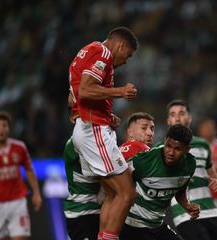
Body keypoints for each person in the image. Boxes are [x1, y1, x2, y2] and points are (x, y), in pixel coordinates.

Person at [69, 26, 139, 240]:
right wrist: (120, 91)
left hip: (89, 126)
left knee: (112, 193)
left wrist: (106, 115)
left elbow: (73, 97)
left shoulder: (86, 50)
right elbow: (86, 90)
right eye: (127, 55)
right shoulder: (104, 53)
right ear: (120, 45)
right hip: (93, 131)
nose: (126, 60)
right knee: (127, 193)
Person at [157, 100, 217, 240]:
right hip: (185, 214)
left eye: (182, 113)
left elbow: (212, 173)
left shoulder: (203, 145)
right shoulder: (161, 148)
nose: (177, 117)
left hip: (211, 211)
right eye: (173, 114)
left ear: (190, 118)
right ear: (168, 120)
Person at [120, 124, 200, 240]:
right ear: (165, 141)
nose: (171, 153)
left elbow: (180, 188)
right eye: (168, 146)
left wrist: (186, 205)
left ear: (187, 149)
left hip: (157, 227)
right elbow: (116, 179)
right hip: (131, 227)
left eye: (177, 149)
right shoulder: (145, 161)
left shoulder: (190, 164)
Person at [0, 111, 42, 240]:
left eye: (4, 125)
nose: (1, 129)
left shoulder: (19, 147)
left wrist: (36, 192)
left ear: (9, 129)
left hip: (17, 202)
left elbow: (29, 169)